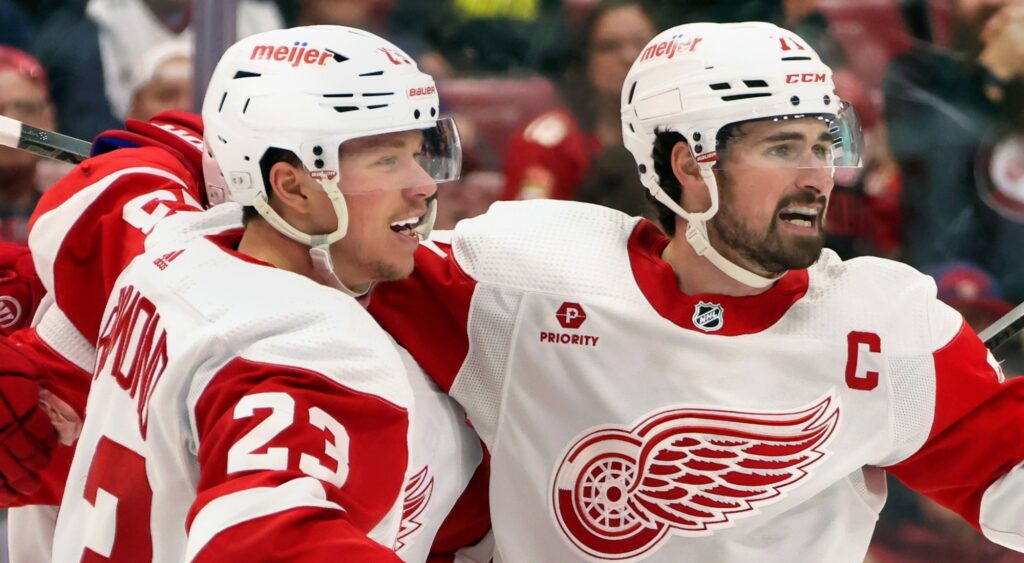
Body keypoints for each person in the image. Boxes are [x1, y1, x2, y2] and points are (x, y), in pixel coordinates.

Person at [367, 21, 1024, 561]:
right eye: (782, 147)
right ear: (688, 163)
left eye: (824, 144)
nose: (816, 175)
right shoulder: (522, 276)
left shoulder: (883, 324)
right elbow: (326, 262)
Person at [2, 25, 488, 562]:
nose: (424, 183)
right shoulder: (306, 346)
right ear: (294, 185)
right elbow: (265, 539)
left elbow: (125, 175)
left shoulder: (162, 251)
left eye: (422, 153)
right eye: (387, 160)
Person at [501, 0, 657, 215]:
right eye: (609, 47)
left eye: (642, 44)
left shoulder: (687, 134)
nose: (629, 57)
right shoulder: (549, 144)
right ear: (584, 60)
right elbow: (523, 233)